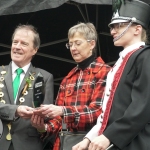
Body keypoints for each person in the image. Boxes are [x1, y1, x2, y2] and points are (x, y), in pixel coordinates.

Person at [72, 0, 150, 150]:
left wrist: (110, 136)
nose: (112, 31)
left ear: (137, 29)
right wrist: (90, 138)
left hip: (137, 142)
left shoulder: (145, 57)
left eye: (119, 26)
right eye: (112, 27)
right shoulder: (120, 62)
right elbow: (108, 110)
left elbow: (143, 106)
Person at [31, 22, 111, 150]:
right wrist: (43, 128)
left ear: (92, 44)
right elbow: (57, 119)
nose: (73, 48)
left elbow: (98, 111)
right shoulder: (68, 78)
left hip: (92, 143)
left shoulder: (105, 72)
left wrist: (63, 111)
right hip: (64, 142)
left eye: (78, 43)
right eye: (70, 44)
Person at [0, 24, 54, 150]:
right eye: (15, 42)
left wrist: (40, 120)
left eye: (24, 44)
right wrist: (16, 110)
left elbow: (49, 118)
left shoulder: (45, 77)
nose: (17, 47)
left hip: (28, 145)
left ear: (35, 49)